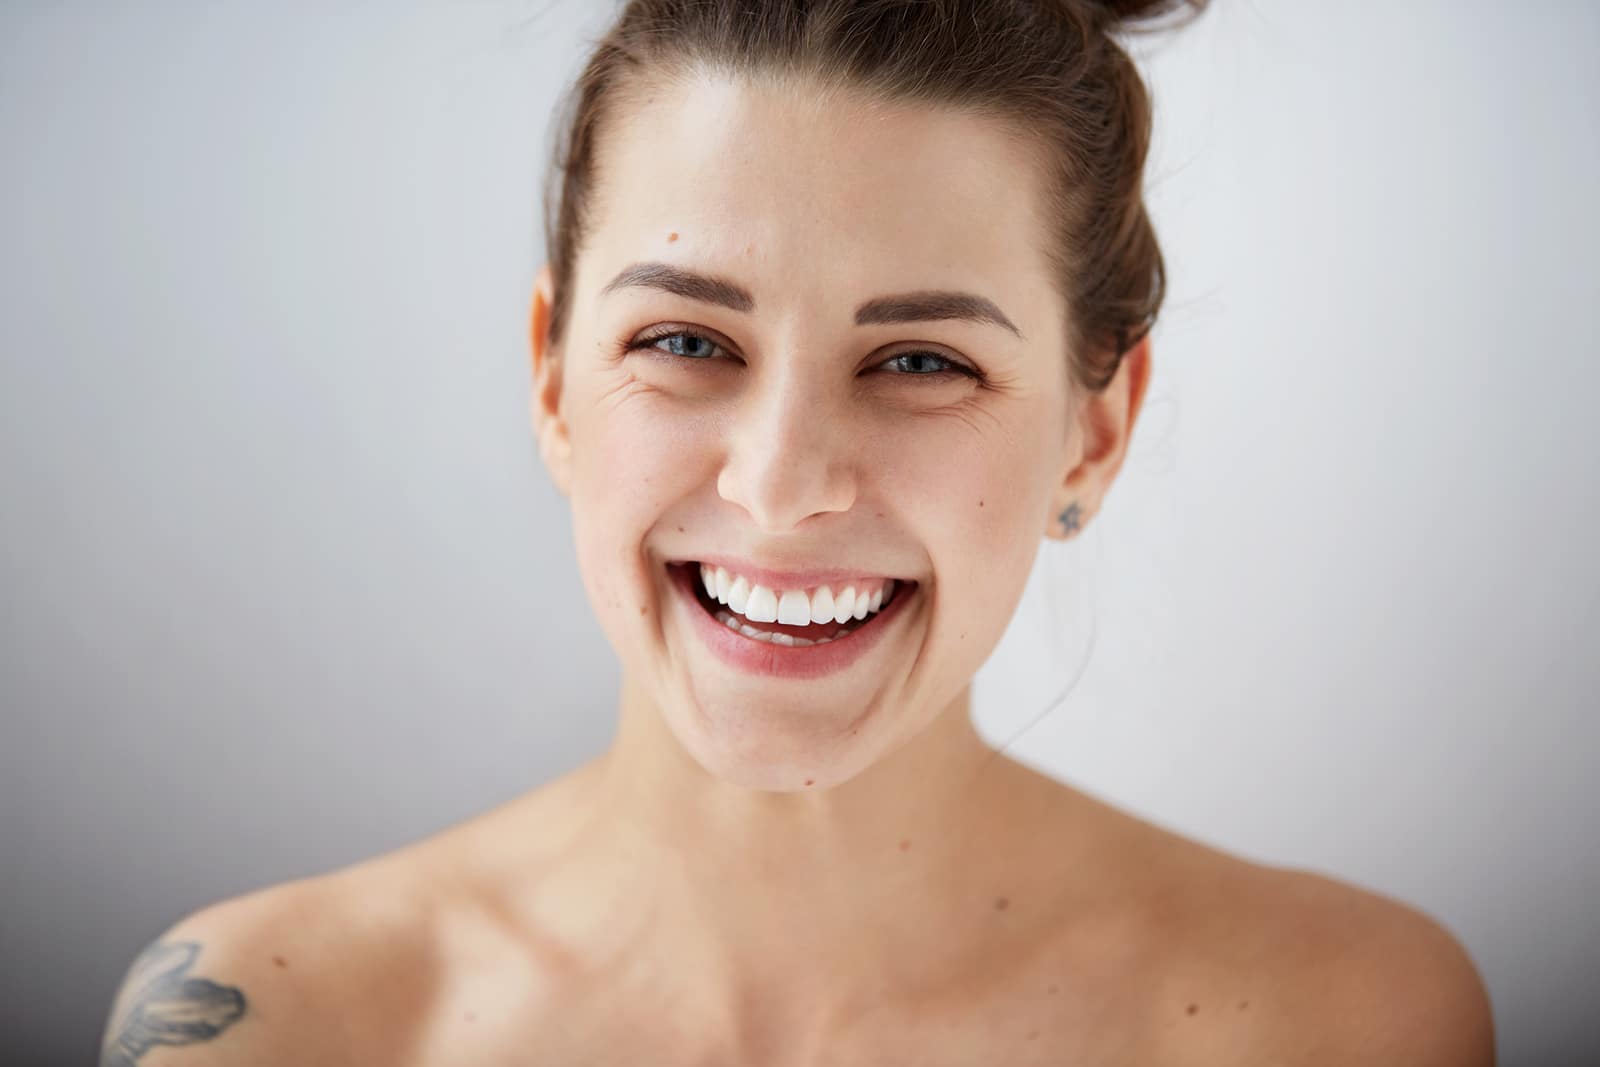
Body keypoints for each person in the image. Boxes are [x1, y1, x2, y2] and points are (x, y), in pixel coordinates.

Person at [98, 1, 1496, 1063]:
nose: (778, 487)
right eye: (688, 338)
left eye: (920, 363)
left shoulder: (1340, 1019)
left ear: (1096, 427)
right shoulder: (275, 1021)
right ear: (551, 376)